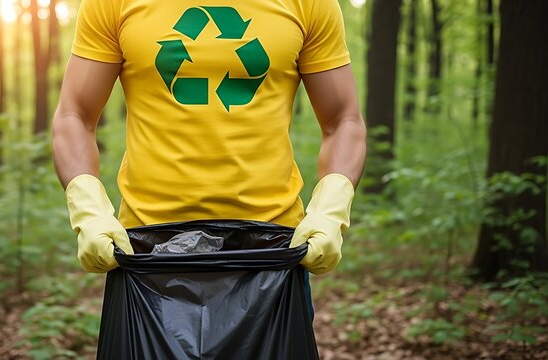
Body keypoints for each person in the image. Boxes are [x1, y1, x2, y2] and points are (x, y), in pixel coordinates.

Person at [52, 0, 366, 302]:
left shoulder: (310, 3)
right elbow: (75, 115)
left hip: (273, 249)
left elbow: (343, 120)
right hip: (146, 250)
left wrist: (330, 209)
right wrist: (89, 209)